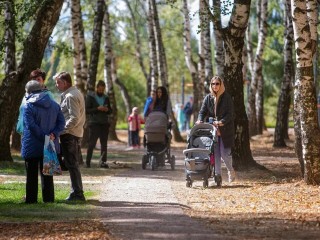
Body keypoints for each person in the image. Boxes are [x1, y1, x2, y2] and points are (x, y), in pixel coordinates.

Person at [21, 80, 65, 203]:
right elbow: (62, 123)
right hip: (50, 144)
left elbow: (31, 126)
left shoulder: (27, 105)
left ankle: (31, 200)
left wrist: (44, 136)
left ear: (29, 91)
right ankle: (49, 199)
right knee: (48, 174)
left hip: (32, 144)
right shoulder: (54, 104)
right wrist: (53, 135)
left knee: (31, 174)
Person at [196, 76, 236, 184]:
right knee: (216, 153)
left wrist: (221, 121)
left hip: (225, 129)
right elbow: (202, 112)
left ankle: (231, 170)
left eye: (217, 84)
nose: (215, 86)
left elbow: (230, 114)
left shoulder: (226, 97)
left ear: (221, 85)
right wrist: (200, 120)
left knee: (224, 153)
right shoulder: (208, 98)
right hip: (212, 129)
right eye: (213, 84)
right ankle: (217, 177)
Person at [54, 71, 86, 201]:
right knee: (72, 164)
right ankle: (76, 192)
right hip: (74, 133)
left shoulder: (70, 96)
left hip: (70, 134)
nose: (56, 85)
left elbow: (74, 118)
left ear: (65, 83)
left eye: (58, 82)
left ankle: (78, 193)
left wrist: (61, 130)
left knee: (72, 165)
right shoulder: (74, 93)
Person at [85, 80, 112, 168]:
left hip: (104, 123)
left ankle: (103, 162)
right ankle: (88, 162)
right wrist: (97, 108)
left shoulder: (106, 98)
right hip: (94, 123)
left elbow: (111, 110)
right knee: (92, 143)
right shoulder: (90, 97)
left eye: (102, 90)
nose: (101, 91)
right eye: (100, 89)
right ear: (97, 88)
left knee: (104, 144)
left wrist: (107, 110)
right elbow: (87, 110)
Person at [17, 68, 53, 135]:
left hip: (39, 133)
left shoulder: (47, 95)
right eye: (33, 79)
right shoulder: (26, 95)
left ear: (43, 81)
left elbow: (51, 114)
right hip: (25, 131)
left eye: (38, 79)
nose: (36, 82)